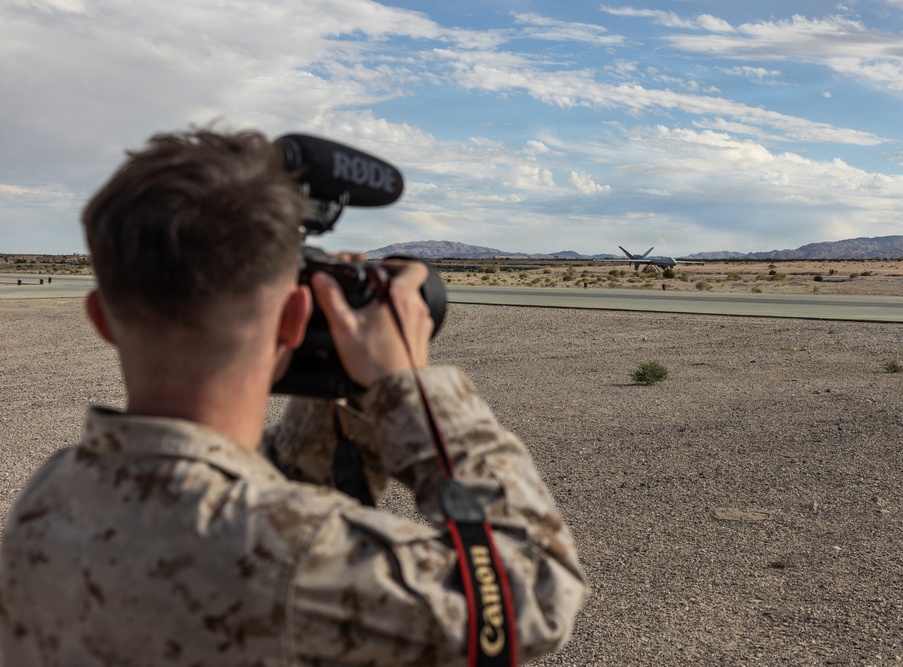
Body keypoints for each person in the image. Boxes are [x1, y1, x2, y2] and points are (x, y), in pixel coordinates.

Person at [0, 128, 587, 665]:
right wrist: (408, 389)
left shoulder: (52, 494)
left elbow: (256, 488)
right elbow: (534, 591)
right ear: (294, 317)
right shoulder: (291, 554)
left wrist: (334, 377)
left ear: (101, 318)